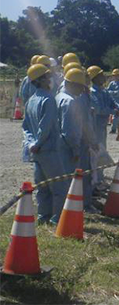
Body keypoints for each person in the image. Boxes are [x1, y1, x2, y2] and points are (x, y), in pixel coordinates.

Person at [22, 63, 68, 224]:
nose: (50, 79)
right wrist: (39, 142)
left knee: (42, 187)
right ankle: (57, 219)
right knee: (59, 186)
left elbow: (25, 127)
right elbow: (46, 126)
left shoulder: (30, 101)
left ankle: (43, 217)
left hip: (36, 151)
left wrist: (31, 143)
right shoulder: (48, 99)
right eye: (47, 77)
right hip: (49, 149)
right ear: (40, 80)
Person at [56, 67, 96, 213]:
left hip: (61, 146)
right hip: (71, 147)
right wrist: (75, 149)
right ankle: (75, 209)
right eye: (81, 86)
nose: (83, 90)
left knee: (65, 179)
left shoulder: (59, 96)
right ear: (73, 84)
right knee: (77, 179)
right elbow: (70, 130)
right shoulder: (70, 101)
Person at [88, 66, 119, 186]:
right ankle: (95, 181)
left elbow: (113, 103)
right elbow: (99, 109)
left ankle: (100, 178)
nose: (103, 77)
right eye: (100, 75)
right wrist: (114, 112)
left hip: (102, 126)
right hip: (95, 127)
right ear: (94, 78)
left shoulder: (103, 91)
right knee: (96, 154)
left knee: (102, 153)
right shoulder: (92, 93)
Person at [107, 69, 119, 134]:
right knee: (115, 116)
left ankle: (117, 129)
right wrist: (114, 92)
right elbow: (108, 92)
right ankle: (114, 129)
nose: (116, 77)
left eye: (117, 76)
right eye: (114, 76)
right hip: (113, 103)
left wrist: (117, 94)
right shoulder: (111, 84)